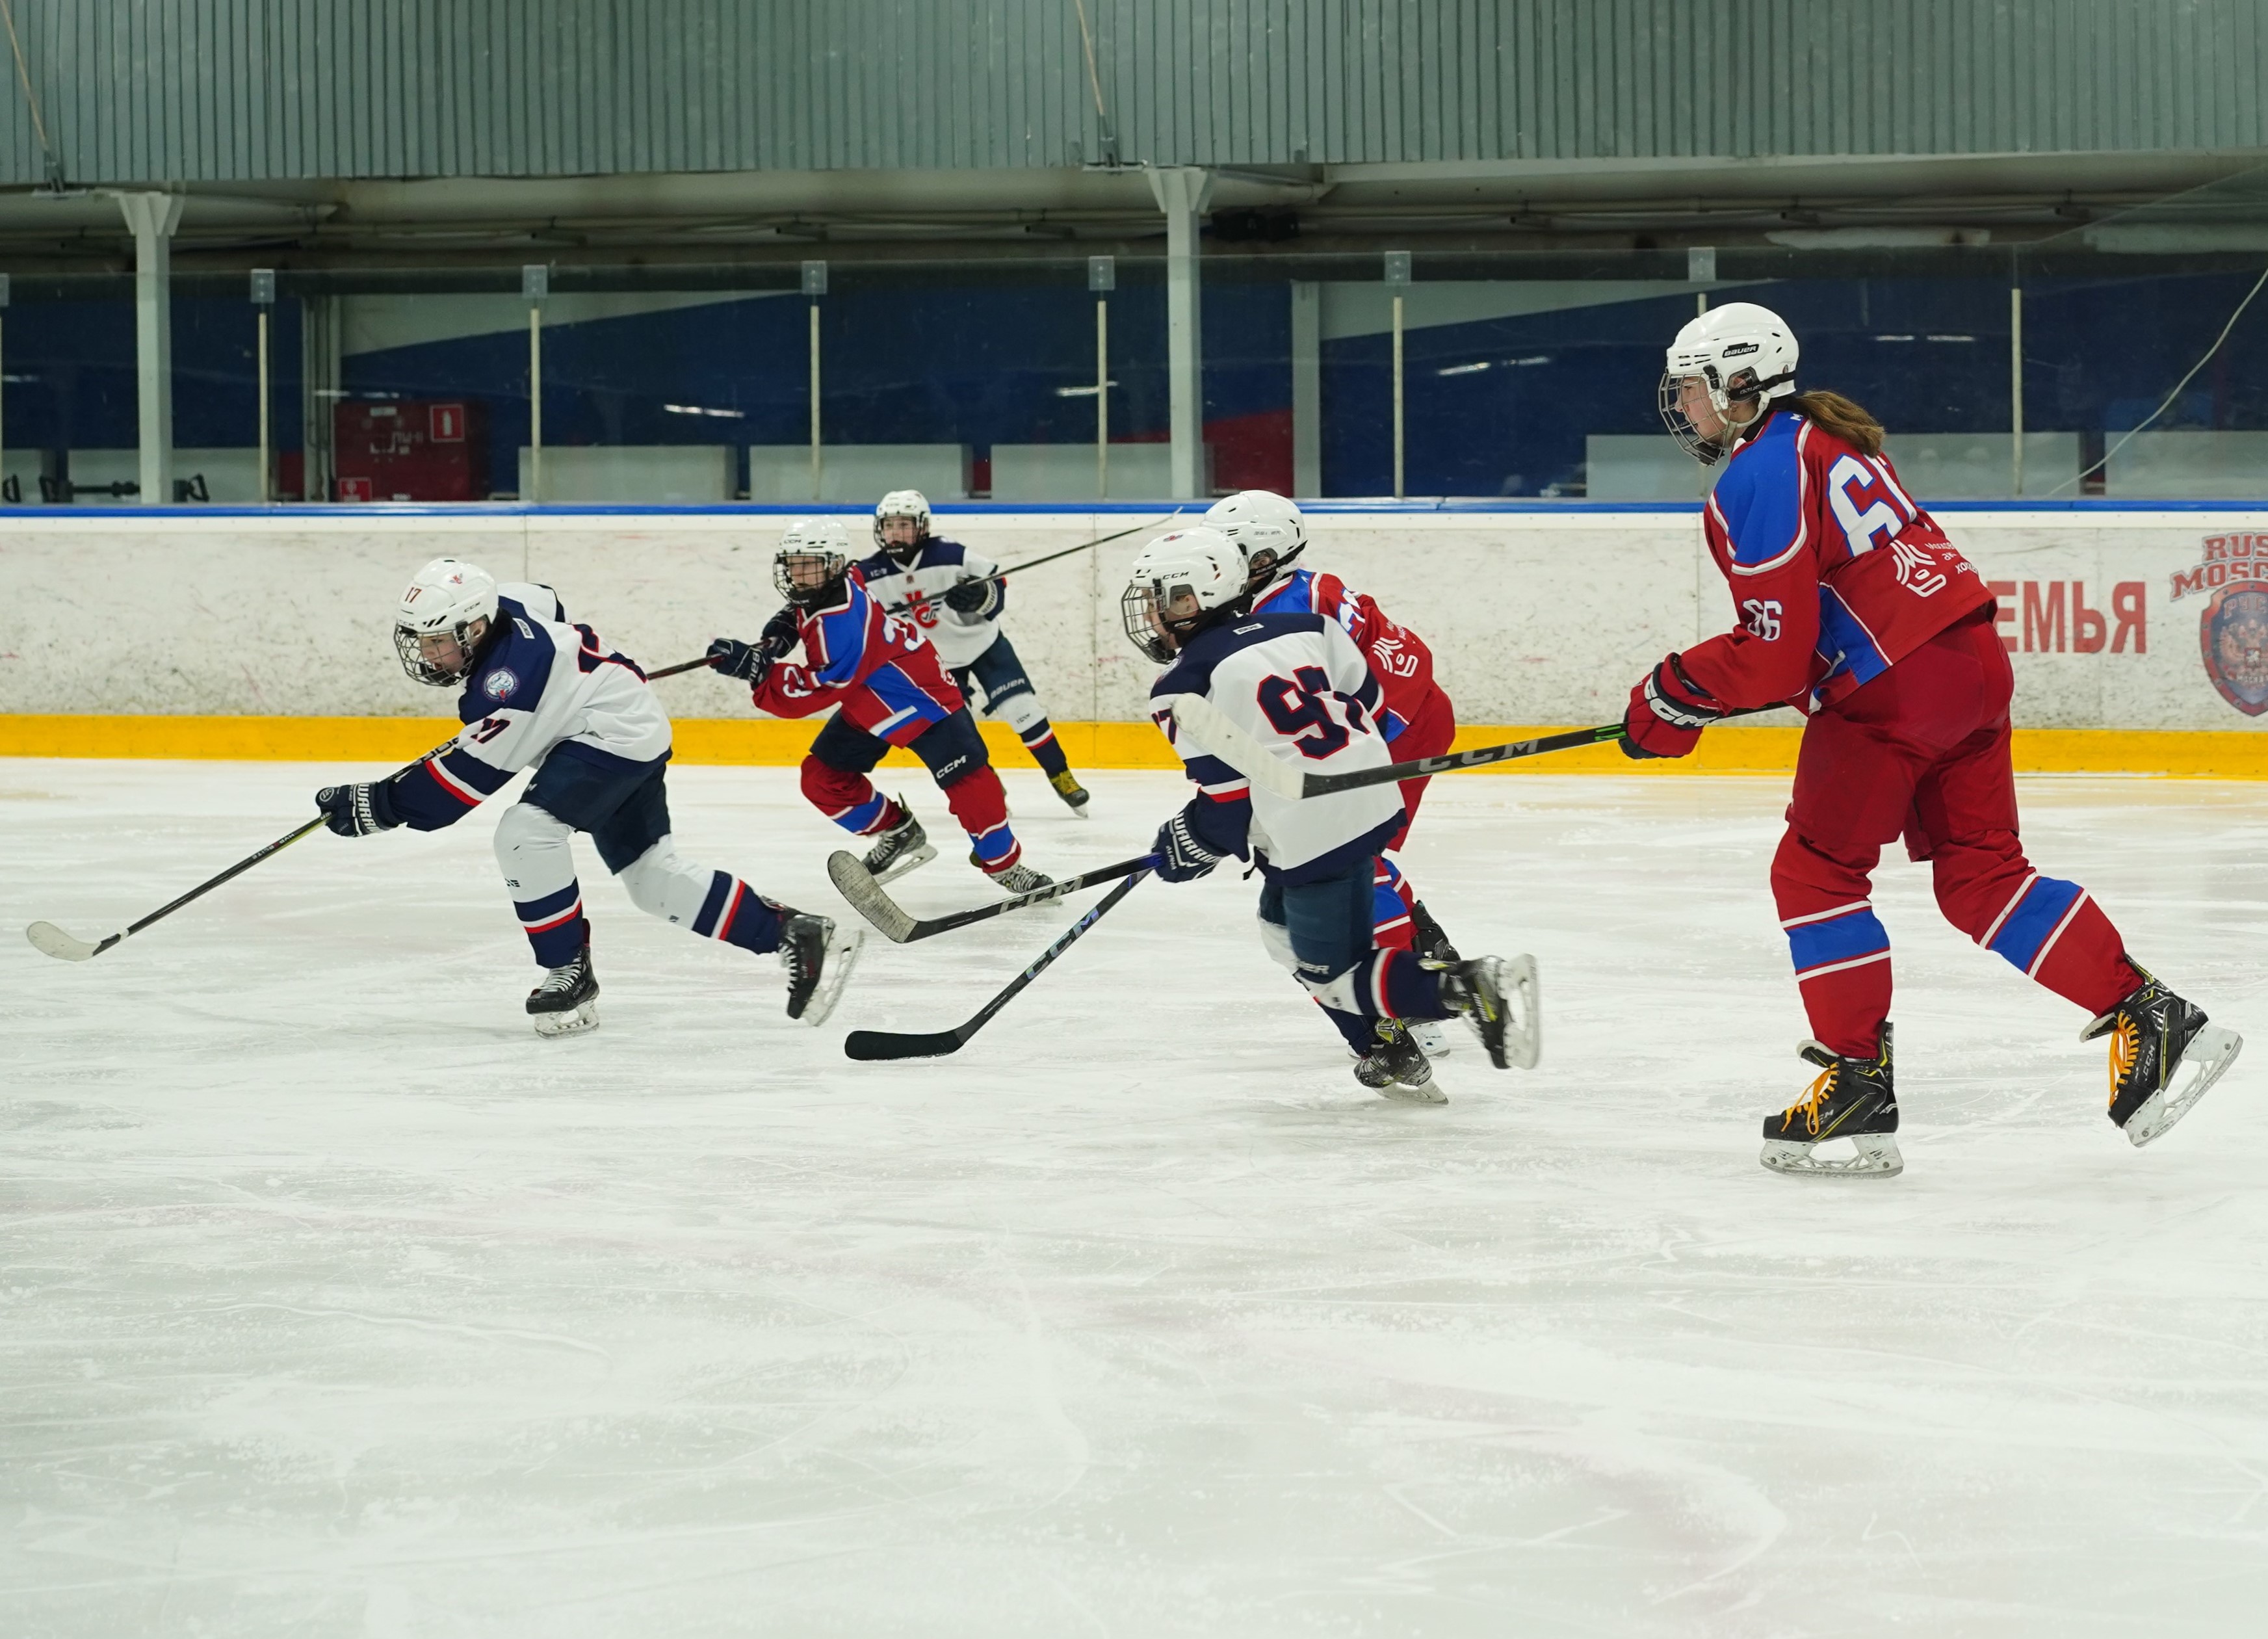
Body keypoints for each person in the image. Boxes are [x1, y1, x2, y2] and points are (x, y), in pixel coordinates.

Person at [1628, 300, 2241, 1177]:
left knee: (1814, 868)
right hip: (1971, 665)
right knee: (1979, 873)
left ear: (1738, 380)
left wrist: (1673, 695)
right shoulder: (1835, 439)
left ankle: (1855, 1091)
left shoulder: (1759, 471)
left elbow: (1774, 656)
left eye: (1690, 390)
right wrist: (1692, 698)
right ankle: (2154, 1017)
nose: (1682, 409)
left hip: (1893, 688)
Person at [313, 557, 862, 1037]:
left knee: (525, 834)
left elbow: (454, 792)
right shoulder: (506, 605)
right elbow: (547, 599)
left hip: (610, 737)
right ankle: (794, 932)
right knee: (652, 879)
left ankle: (567, 969)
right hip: (626, 720)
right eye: (422, 640)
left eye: (438, 641)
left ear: (476, 626)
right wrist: (578, 681)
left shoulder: (508, 685)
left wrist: (377, 804)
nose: (429, 655)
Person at [1126, 524, 1537, 1099]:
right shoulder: (1306, 627)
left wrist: (1183, 849)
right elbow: (1365, 700)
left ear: (1201, 595)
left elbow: (1222, 810)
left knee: (1334, 976)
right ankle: (1390, 1041)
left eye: (1164, 599)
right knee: (1279, 925)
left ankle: (1469, 988)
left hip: (1313, 835)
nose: (1154, 615)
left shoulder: (1181, 687)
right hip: (1369, 802)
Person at [1205, 488, 1463, 1055]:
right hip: (1403, 719)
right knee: (1350, 857)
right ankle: (1425, 951)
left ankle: (1414, 993)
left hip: (1397, 733)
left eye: (1225, 552)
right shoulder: (1297, 589)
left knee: (1352, 858)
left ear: (1264, 556)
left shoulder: (1283, 612)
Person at [707, 517, 1052, 894]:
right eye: (793, 563)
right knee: (821, 780)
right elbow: (799, 613)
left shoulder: (838, 623)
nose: (798, 573)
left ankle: (1005, 865)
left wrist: (758, 672)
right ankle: (898, 831)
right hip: (867, 702)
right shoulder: (842, 579)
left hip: (922, 698)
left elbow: (819, 688)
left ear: (833, 565)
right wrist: (775, 638)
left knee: (974, 788)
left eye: (809, 564)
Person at [855, 489, 1091, 816]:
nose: (896, 533)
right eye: (890, 525)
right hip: (934, 662)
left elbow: (996, 586)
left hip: (983, 645)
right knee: (960, 733)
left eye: (904, 525)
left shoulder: (951, 553)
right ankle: (990, 787)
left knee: (1023, 710)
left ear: (922, 526)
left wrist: (980, 597)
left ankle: (1061, 775)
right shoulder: (868, 575)